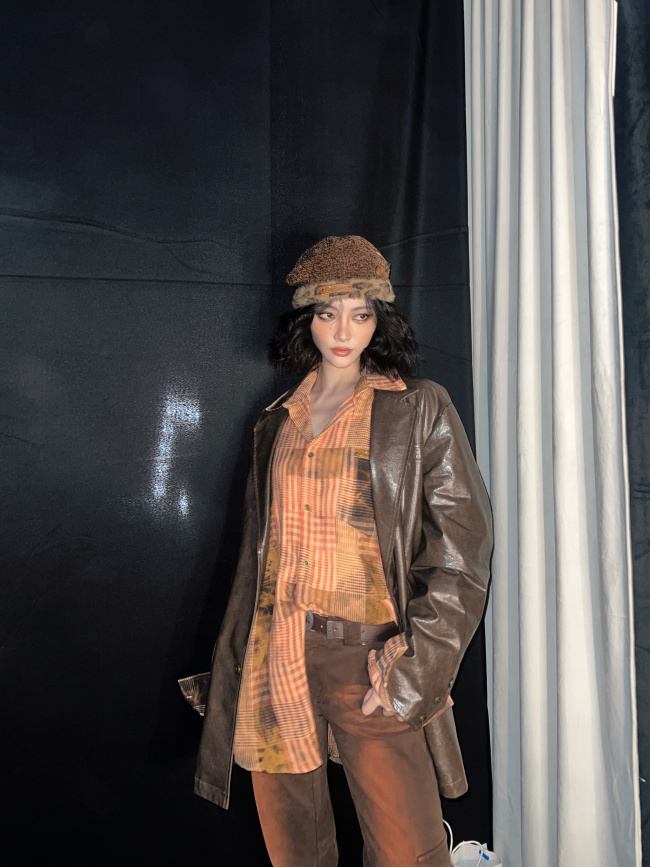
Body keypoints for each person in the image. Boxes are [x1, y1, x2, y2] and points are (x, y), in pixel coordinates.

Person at [191, 236, 493, 867]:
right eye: (327, 313)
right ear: (307, 319)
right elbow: (258, 559)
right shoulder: (276, 421)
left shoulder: (416, 408)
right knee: (294, 847)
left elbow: (462, 553)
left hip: (370, 655)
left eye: (360, 314)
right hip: (278, 650)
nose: (343, 331)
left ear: (380, 321)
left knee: (408, 851)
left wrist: (415, 666)